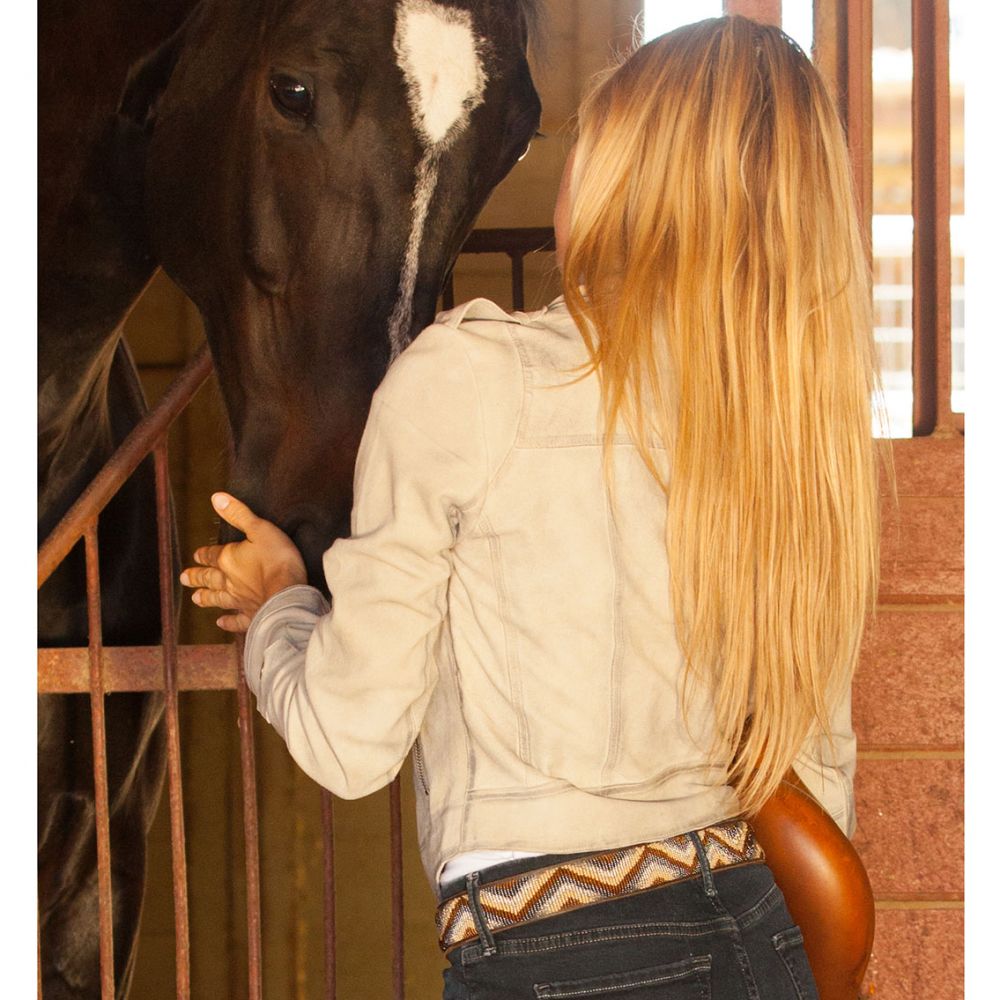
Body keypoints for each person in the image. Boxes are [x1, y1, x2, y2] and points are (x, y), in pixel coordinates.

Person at [181, 15, 881, 999]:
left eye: (592, 136)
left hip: (561, 953)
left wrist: (278, 610)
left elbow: (350, 738)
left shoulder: (472, 382)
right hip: (773, 939)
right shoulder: (797, 432)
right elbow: (824, 768)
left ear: (630, 176)